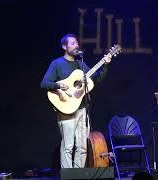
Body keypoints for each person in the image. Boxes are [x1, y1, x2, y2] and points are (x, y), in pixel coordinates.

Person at [40, 33, 112, 168]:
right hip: (65, 109)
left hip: (82, 108)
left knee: (82, 147)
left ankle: (78, 175)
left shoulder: (81, 65)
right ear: (64, 46)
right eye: (73, 43)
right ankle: (68, 175)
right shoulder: (57, 64)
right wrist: (58, 86)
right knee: (68, 146)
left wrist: (106, 65)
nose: (76, 45)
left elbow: (95, 79)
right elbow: (44, 83)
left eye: (77, 43)